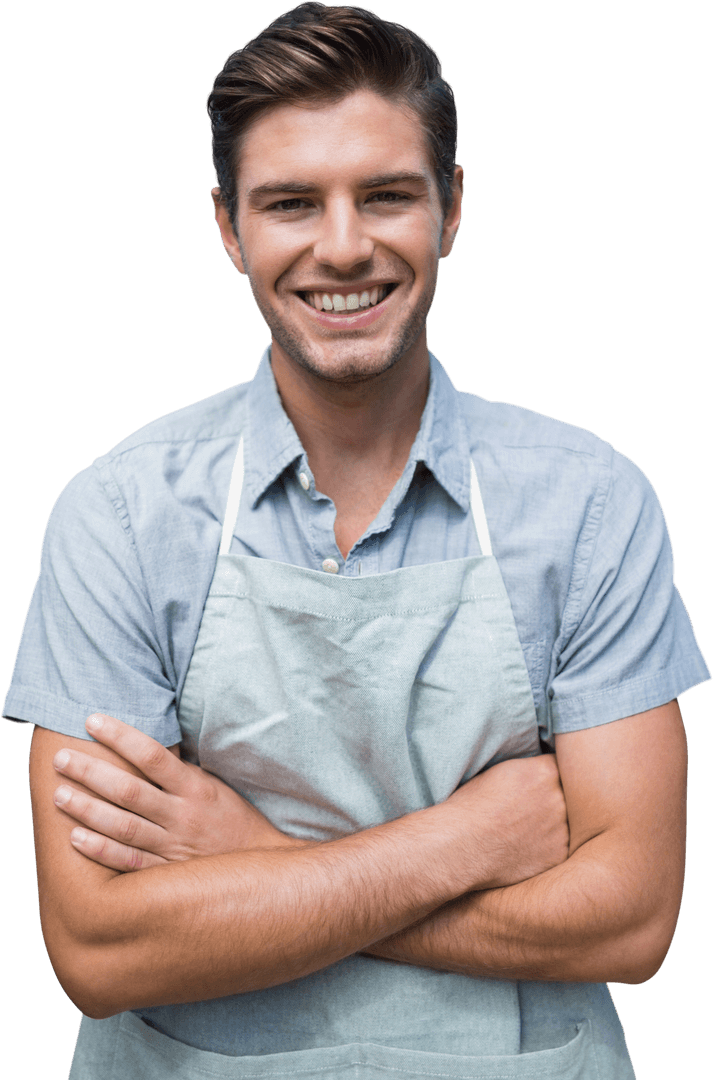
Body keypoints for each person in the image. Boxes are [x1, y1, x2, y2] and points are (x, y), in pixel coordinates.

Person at [4, 3, 709, 1078]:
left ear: (450, 208)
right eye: (291, 203)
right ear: (229, 228)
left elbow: (631, 920)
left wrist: (252, 860)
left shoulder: (591, 507)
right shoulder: (120, 518)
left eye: (385, 195)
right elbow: (100, 949)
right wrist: (463, 842)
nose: (342, 247)